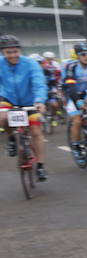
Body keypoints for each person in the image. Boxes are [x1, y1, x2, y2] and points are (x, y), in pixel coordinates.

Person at [0, 35, 49, 180]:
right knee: (2, 117)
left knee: (36, 131)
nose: (13, 55)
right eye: (9, 52)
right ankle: (12, 139)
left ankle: (40, 166)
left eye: (15, 51)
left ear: (20, 51)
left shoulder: (31, 64)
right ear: (3, 53)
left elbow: (39, 83)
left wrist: (40, 101)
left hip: (30, 101)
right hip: (8, 99)